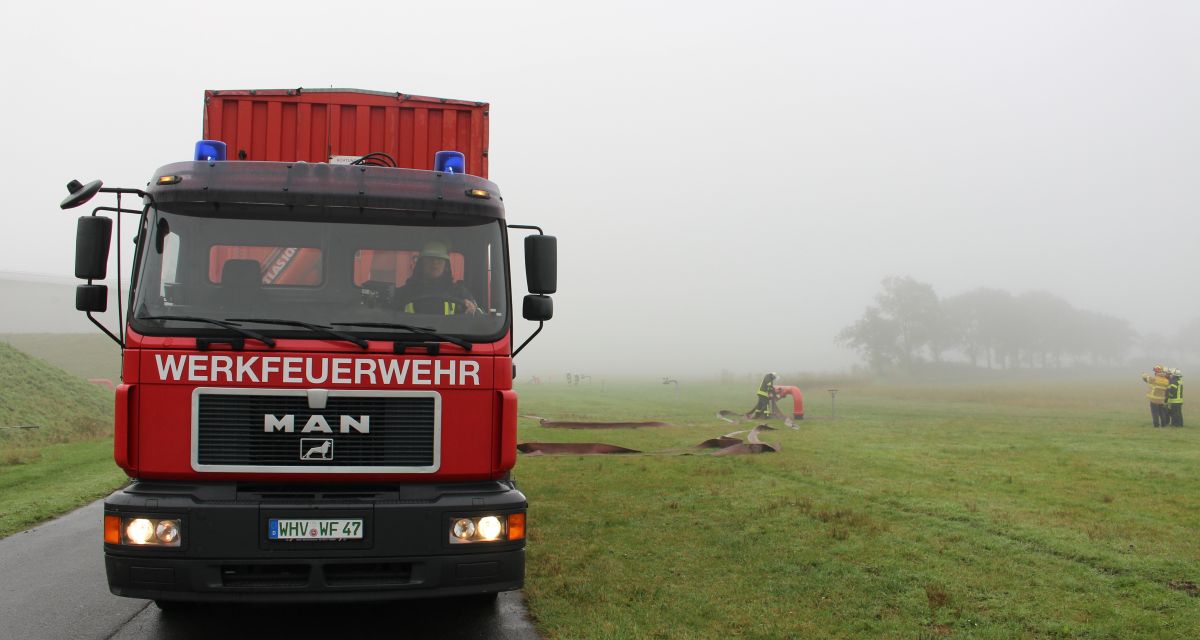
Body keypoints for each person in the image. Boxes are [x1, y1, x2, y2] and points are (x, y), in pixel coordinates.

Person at [394, 241, 479, 316]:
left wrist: (471, 308)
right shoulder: (405, 292)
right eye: (430, 258)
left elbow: (479, 317)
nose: (435, 262)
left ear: (446, 265)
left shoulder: (460, 293)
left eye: (439, 258)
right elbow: (389, 317)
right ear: (421, 263)